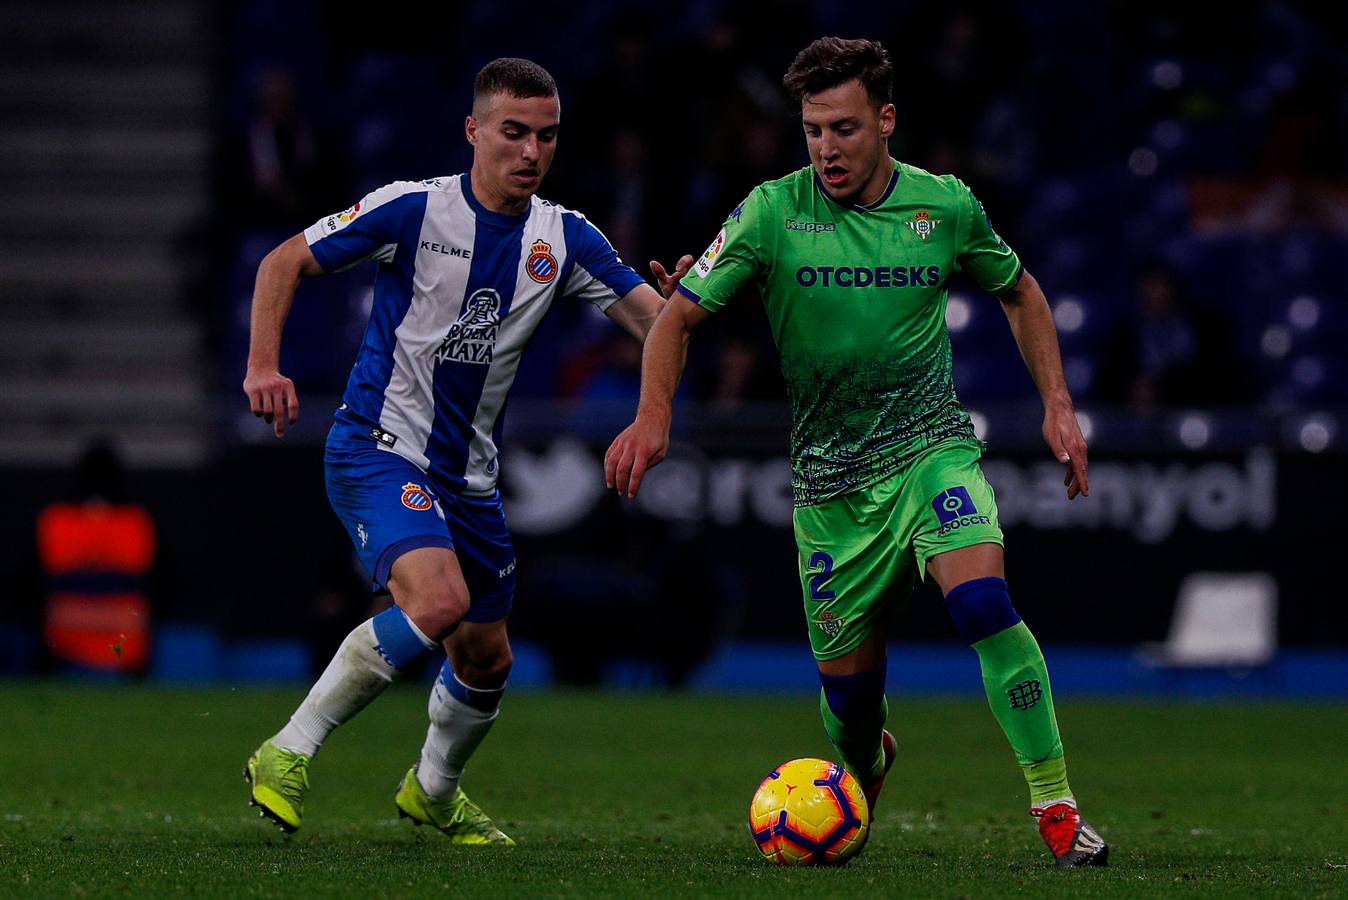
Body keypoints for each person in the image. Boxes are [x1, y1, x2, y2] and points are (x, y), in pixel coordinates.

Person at [605, 37, 1108, 868]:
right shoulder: (770, 210)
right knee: (851, 705)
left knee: (983, 605)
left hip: (930, 455)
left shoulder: (944, 206)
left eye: (843, 129)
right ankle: (868, 766)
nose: (826, 149)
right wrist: (654, 414)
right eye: (812, 131)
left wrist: (1058, 405)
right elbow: (678, 316)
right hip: (830, 487)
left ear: (885, 120)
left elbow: (1019, 290)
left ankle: (1054, 803)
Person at [241, 58, 665, 843]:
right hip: (379, 445)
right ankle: (286, 751)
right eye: (513, 133)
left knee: (487, 659)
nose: (531, 152)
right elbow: (282, 261)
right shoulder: (413, 209)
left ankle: (432, 790)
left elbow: (657, 322)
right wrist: (263, 364)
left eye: (546, 136)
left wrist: (676, 338)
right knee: (438, 606)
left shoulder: (564, 237)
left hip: (469, 479)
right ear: (474, 131)